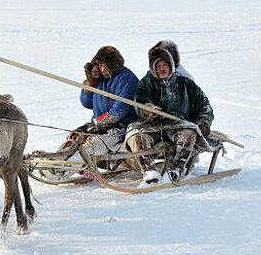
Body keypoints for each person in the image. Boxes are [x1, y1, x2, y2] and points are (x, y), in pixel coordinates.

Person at [125, 46, 214, 185]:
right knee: (136, 136)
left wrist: (204, 121)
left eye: (164, 64)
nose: (161, 69)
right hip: (150, 125)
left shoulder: (186, 84)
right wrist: (148, 110)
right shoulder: (146, 83)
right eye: (158, 65)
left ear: (171, 65)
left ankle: (176, 169)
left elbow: (205, 105)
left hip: (177, 124)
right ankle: (150, 172)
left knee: (189, 132)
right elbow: (140, 102)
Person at [60, 46, 139, 176]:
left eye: (105, 66)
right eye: (99, 66)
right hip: (97, 125)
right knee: (74, 136)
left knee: (92, 145)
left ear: (113, 65)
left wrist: (98, 123)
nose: (102, 70)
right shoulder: (100, 80)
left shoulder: (126, 78)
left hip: (119, 127)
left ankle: (65, 170)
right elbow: (86, 103)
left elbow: (120, 110)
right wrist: (91, 82)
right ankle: (57, 161)